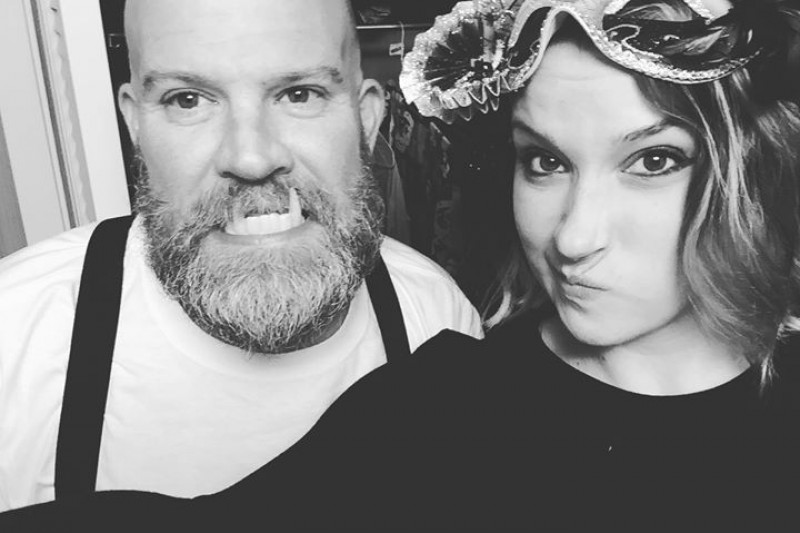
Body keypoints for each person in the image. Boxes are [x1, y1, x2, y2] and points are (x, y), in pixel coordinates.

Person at [4, 0, 800, 530]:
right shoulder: (451, 399)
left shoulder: (429, 309)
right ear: (133, 123)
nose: (574, 237)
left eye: (653, 160)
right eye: (545, 161)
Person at [0, 0, 482, 513]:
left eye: (299, 94)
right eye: (187, 100)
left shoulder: (434, 316)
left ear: (366, 117)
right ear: (135, 124)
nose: (251, 159)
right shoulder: (16, 339)